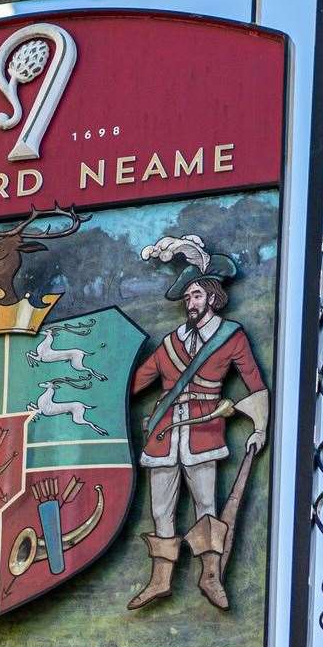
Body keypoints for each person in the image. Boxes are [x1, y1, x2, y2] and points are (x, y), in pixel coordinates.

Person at [128, 235, 270, 611]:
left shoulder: (231, 336)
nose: (190, 303)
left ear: (212, 297)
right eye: (187, 297)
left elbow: (254, 382)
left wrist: (259, 425)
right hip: (162, 436)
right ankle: (160, 579)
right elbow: (139, 381)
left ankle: (210, 575)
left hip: (203, 433)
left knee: (206, 504)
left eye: (195, 296)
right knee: (161, 509)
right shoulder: (171, 341)